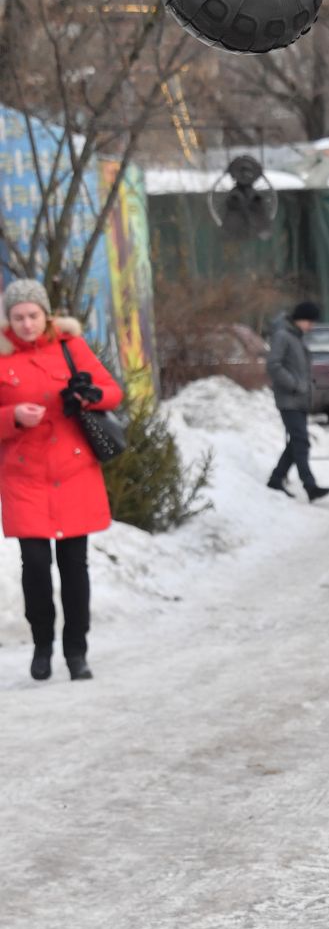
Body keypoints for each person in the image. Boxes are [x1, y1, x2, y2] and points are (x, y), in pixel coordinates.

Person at [0, 277, 123, 681]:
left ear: (45, 314)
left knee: (75, 566)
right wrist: (12, 417)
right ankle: (42, 645)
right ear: (8, 319)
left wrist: (89, 396)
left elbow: (112, 391)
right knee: (34, 565)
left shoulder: (72, 347)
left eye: (33, 315)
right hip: (24, 476)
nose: (26, 324)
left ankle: (76, 651)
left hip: (73, 473)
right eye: (18, 317)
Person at [266, 300, 329, 502]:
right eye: (310, 322)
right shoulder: (283, 336)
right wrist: (294, 384)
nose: (311, 326)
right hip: (289, 399)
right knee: (301, 441)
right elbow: (273, 365)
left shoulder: (295, 337)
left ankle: (276, 479)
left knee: (297, 442)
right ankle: (309, 485)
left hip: (299, 399)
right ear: (301, 319)